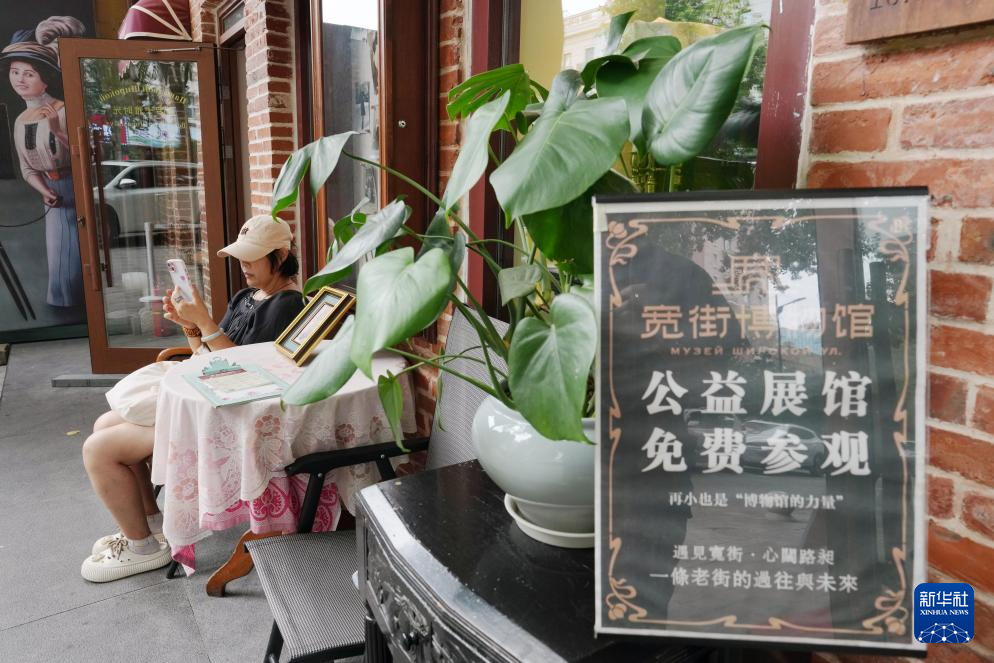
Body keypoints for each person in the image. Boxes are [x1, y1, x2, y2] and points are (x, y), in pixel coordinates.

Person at [80, 216, 305, 582]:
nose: (244, 265)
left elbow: (248, 375)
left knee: (98, 449)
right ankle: (150, 524)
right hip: (207, 399)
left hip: (225, 418)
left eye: (252, 257)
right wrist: (191, 325)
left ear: (279, 257)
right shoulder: (246, 297)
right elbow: (206, 356)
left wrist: (205, 321)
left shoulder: (286, 306)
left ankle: (142, 548)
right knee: (104, 424)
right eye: (240, 256)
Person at [1, 17, 85, 308]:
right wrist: (44, 190)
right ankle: (62, 304)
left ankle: (77, 304)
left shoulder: (63, 110)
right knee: (57, 250)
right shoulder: (21, 120)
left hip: (74, 186)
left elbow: (83, 152)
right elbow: (27, 167)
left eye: (28, 74)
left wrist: (58, 130)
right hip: (51, 193)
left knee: (74, 249)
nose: (20, 80)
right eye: (15, 73)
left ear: (45, 79)